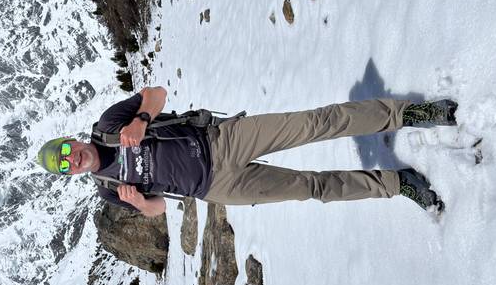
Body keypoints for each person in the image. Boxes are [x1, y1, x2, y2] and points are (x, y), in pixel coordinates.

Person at [36, 86, 457, 217]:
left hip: (221, 140)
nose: (73, 159)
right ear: (70, 175)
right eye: (65, 166)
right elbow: (160, 209)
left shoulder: (110, 125)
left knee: (314, 123)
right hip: (218, 186)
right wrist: (141, 204)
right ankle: (396, 183)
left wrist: (140, 120)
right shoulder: (109, 189)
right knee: (310, 188)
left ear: (71, 141)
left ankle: (409, 113)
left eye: (66, 151)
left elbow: (157, 94)